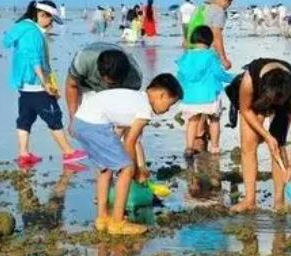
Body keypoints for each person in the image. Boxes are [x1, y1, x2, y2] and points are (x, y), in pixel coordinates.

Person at [73, 73, 182, 235]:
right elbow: (130, 141)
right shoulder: (145, 109)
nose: (167, 110)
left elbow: (120, 136)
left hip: (80, 122)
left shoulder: (136, 98)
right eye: (170, 104)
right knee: (127, 168)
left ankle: (102, 218)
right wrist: (135, 172)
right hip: (95, 123)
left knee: (105, 168)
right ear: (162, 95)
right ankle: (117, 222)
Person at [2, 0, 87, 167]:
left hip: (24, 86)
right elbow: (34, 59)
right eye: (50, 19)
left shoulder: (21, 29)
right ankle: (68, 152)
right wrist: (46, 83)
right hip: (36, 86)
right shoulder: (33, 33)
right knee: (54, 117)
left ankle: (24, 154)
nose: (51, 24)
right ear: (41, 15)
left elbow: (9, 44)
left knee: (25, 119)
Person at [225, 57, 291, 212]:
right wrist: (267, 137)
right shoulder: (250, 79)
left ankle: (279, 201)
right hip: (257, 100)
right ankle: (249, 200)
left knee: (279, 146)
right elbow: (246, 110)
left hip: (284, 102)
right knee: (248, 145)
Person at [177, 25, 235, 156]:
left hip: (190, 97)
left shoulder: (186, 56)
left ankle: (189, 147)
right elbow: (219, 74)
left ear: (193, 39)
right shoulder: (211, 56)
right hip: (209, 95)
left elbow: (180, 76)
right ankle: (214, 147)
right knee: (214, 120)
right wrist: (233, 78)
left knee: (192, 121)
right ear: (210, 40)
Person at [65, 42, 143, 135]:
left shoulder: (134, 78)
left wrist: (121, 128)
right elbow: (71, 86)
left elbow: (127, 106)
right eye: (107, 81)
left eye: (112, 83)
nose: (107, 84)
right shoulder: (83, 61)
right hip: (88, 86)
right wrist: (73, 120)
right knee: (88, 127)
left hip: (119, 94)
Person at [186, 0, 235, 70]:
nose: (228, 6)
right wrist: (223, 60)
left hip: (190, 54)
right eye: (229, 3)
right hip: (207, 56)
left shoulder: (199, 8)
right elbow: (216, 36)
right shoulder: (218, 11)